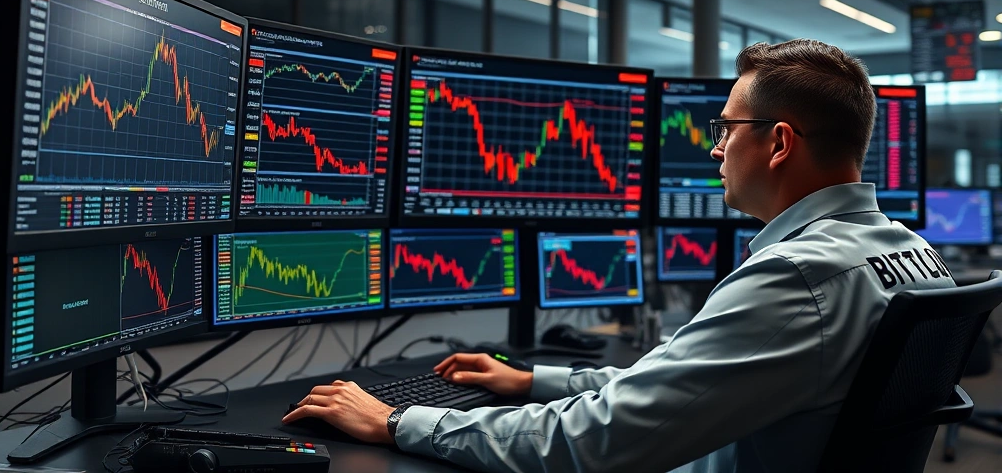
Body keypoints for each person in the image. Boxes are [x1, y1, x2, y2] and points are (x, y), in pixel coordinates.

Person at [282, 39, 956, 472]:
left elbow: (592, 444)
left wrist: (399, 419)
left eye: (726, 128)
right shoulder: (909, 253)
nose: (715, 148)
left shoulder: (796, 279)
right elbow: (681, 383)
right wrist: (533, 379)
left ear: (779, 143)